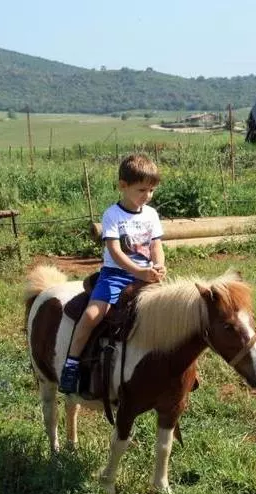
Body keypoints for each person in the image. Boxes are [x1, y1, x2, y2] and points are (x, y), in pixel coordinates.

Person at [59, 154, 166, 395]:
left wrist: (158, 265)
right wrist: (139, 270)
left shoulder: (151, 214)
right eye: (142, 190)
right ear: (122, 186)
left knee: (171, 312)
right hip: (115, 275)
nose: (147, 196)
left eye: (151, 190)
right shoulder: (112, 215)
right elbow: (115, 251)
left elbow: (156, 245)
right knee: (92, 315)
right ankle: (72, 363)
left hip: (147, 274)